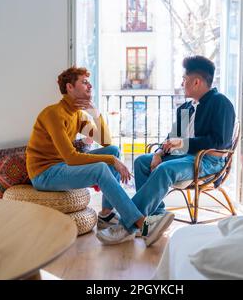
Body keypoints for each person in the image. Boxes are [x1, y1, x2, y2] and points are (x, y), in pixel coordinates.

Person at [26, 66, 174, 246]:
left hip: (61, 166)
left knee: (113, 150)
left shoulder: (77, 115)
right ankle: (142, 225)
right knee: (103, 166)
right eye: (84, 82)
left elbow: (106, 142)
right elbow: (71, 158)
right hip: (45, 174)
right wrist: (112, 161)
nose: (90, 86)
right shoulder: (54, 114)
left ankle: (105, 214)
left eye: (89, 83)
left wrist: (96, 114)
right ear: (69, 87)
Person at [98, 56, 235, 241]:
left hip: (208, 160)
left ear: (196, 82)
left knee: (164, 169)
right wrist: (159, 153)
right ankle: (153, 218)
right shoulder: (186, 108)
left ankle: (126, 226)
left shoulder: (220, 103)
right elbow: (173, 138)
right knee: (141, 162)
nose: (182, 83)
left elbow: (218, 141)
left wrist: (182, 145)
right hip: (183, 157)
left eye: (184, 79)